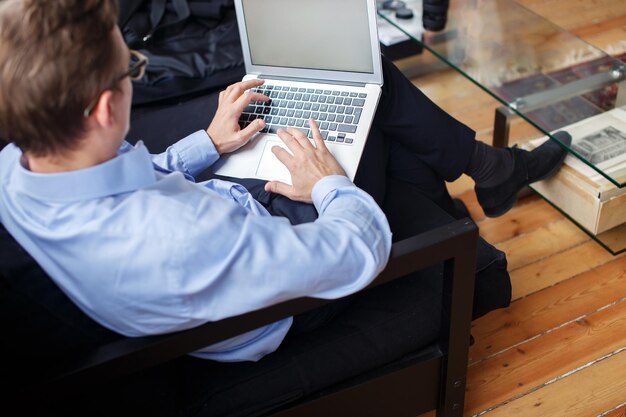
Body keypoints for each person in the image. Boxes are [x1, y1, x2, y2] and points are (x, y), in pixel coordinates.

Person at [0, 0, 570, 415]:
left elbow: (127, 181)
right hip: (271, 298)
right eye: (134, 70)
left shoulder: (15, 171)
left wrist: (208, 144)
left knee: (359, 103)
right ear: (103, 109)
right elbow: (354, 251)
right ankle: (494, 170)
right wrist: (329, 186)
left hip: (215, 233)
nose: (134, 77)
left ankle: (491, 169)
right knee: (366, 82)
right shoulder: (181, 235)